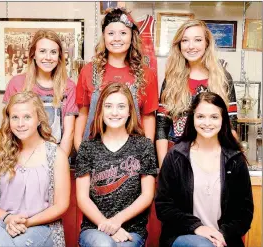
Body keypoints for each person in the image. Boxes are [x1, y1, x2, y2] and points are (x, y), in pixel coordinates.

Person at [155, 92, 254, 247]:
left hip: (223, 240)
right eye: (201, 116)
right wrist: (197, 228)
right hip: (183, 235)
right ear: (192, 119)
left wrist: (221, 234)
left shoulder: (235, 160)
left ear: (223, 120)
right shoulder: (176, 156)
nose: (207, 123)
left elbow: (245, 213)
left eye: (214, 117)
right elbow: (164, 206)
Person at [0, 91, 70, 247]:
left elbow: (61, 205)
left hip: (41, 227)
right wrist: (7, 218)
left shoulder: (56, 155)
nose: (20, 124)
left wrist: (27, 222)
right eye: (15, 117)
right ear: (8, 120)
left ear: (39, 119)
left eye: (27, 117)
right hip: (3, 223)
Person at [75, 82, 157, 247]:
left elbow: (147, 195)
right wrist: (108, 226)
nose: (114, 112)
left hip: (132, 230)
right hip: (94, 229)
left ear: (129, 112)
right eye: (108, 106)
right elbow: (82, 198)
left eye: (121, 106)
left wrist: (117, 221)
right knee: (105, 245)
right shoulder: (87, 148)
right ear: (100, 111)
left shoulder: (144, 146)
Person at [156, 19, 237, 167]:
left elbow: (231, 125)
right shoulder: (171, 79)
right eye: (185, 40)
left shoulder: (223, 78)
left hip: (213, 160)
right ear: (179, 45)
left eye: (197, 40)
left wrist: (231, 164)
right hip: (176, 160)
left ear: (207, 43)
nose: (191, 46)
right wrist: (163, 168)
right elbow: (162, 127)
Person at [74, 7, 158, 151]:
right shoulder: (88, 71)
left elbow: (148, 118)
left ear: (132, 37)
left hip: (132, 156)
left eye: (123, 33)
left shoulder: (146, 74)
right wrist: (80, 149)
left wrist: (146, 154)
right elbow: (83, 115)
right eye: (111, 33)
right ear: (104, 36)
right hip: (94, 154)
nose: (117, 39)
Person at [3, 29, 78, 157]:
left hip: (57, 154)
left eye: (53, 52)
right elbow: (8, 127)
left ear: (59, 57)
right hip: (21, 156)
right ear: (33, 54)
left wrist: (58, 165)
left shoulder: (69, 87)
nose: (48, 57)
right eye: (42, 51)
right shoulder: (16, 84)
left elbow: (69, 133)